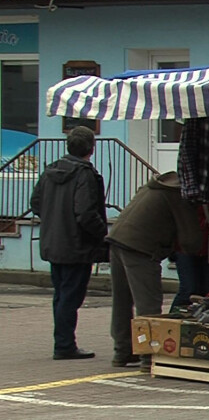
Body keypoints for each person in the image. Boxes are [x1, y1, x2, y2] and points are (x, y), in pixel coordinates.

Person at [107, 171, 202, 369]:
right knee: (148, 305)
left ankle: (122, 351)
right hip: (140, 247)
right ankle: (148, 357)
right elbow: (191, 239)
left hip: (117, 239)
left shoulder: (157, 185)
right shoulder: (179, 194)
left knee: (122, 300)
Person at [29, 126, 108, 360]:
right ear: (91, 148)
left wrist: (54, 220)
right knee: (70, 297)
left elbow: (36, 203)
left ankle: (63, 342)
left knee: (62, 294)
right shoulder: (84, 174)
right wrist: (102, 234)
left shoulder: (51, 170)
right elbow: (85, 213)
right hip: (76, 245)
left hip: (54, 241)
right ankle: (64, 345)